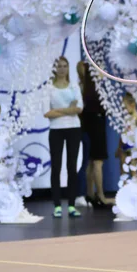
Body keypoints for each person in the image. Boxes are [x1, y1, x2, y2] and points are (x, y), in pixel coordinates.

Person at [43, 56, 83, 218]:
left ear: (68, 68)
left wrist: (58, 112)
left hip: (74, 129)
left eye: (65, 66)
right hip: (56, 130)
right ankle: (57, 205)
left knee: (71, 167)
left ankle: (72, 205)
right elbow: (47, 112)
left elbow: (79, 108)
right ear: (54, 68)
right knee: (56, 167)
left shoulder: (74, 86)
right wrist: (68, 109)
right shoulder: (48, 88)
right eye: (59, 66)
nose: (62, 69)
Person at [76, 61, 110, 209]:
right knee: (97, 162)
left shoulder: (82, 87)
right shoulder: (96, 88)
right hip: (96, 124)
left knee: (90, 162)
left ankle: (90, 193)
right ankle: (100, 195)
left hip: (86, 126)